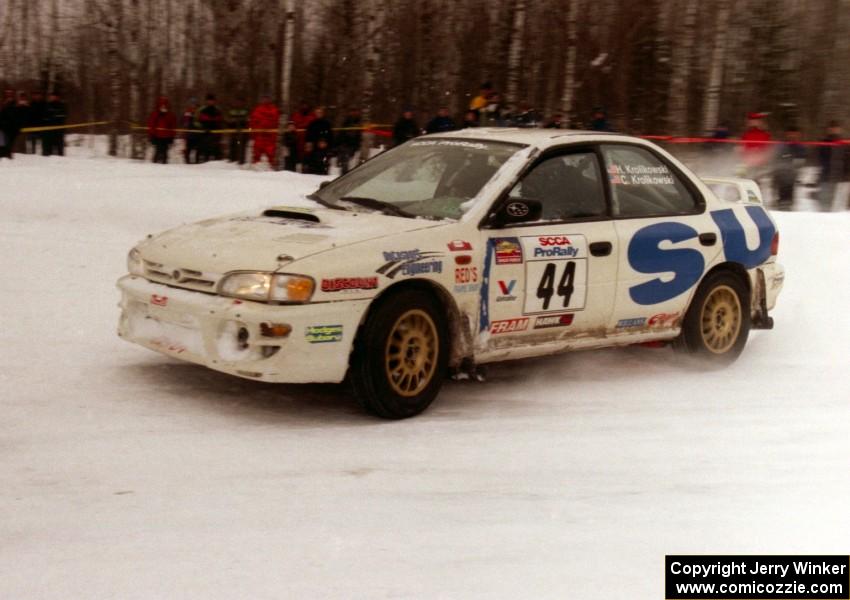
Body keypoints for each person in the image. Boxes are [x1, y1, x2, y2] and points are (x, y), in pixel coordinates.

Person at [817, 121, 850, 212]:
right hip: (826, 177)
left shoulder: (845, 144)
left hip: (842, 179)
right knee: (824, 204)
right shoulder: (823, 143)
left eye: (836, 128)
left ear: (840, 129)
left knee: (839, 206)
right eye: (832, 128)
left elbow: (847, 161)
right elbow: (818, 160)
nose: (834, 130)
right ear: (828, 130)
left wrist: (847, 175)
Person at [772, 127, 806, 211]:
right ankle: (781, 204)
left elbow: (801, 159)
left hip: (792, 174)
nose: (792, 135)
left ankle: (788, 205)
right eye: (790, 133)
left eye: (795, 133)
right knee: (781, 190)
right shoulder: (782, 145)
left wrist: (796, 166)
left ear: (798, 135)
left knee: (789, 190)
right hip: (781, 173)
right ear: (787, 134)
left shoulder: (800, 146)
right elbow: (776, 157)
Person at [741, 112, 772, 180]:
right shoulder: (746, 134)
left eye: (755, 120)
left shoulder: (765, 134)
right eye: (751, 120)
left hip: (759, 164)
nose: (753, 122)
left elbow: (767, 149)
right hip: (747, 163)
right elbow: (742, 147)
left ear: (760, 122)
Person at [146, 96, 177, 164]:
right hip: (157, 136)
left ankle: (164, 165)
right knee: (157, 151)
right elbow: (151, 125)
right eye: (162, 106)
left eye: (164, 106)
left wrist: (172, 137)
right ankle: (155, 164)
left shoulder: (170, 115)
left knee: (165, 152)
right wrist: (152, 136)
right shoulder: (155, 114)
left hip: (166, 137)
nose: (163, 108)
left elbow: (173, 126)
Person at [196, 93, 223, 162]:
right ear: (206, 101)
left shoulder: (218, 110)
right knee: (205, 149)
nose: (210, 102)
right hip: (205, 133)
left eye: (212, 100)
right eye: (209, 100)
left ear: (214, 101)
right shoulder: (201, 110)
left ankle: (216, 163)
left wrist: (218, 130)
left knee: (215, 149)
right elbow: (196, 121)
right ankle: (204, 162)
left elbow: (221, 121)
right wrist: (202, 128)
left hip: (215, 133)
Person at [335, 107, 362, 174]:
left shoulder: (358, 121)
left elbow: (358, 135)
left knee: (351, 162)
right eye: (352, 111)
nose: (354, 113)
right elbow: (341, 133)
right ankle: (344, 174)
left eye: (355, 112)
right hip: (345, 144)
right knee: (345, 162)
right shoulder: (346, 121)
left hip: (352, 145)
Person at [42, 92, 67, 156]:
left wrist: (55, 116)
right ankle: (49, 156)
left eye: (55, 96)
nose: (53, 98)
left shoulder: (62, 105)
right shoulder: (47, 105)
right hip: (49, 129)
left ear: (58, 97)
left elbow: (64, 115)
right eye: (52, 96)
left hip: (59, 129)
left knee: (59, 146)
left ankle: (61, 156)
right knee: (49, 145)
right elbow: (45, 116)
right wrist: (50, 117)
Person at [290, 101, 315, 166]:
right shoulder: (296, 115)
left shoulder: (312, 116)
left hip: (308, 140)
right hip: (297, 140)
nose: (304, 107)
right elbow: (291, 125)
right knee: (297, 156)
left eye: (306, 106)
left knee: (307, 156)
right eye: (303, 105)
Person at [226, 97, 250, 164]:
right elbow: (228, 120)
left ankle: (241, 162)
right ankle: (231, 160)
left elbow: (248, 121)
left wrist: (242, 123)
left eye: (240, 102)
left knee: (241, 147)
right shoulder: (231, 110)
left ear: (243, 102)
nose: (238, 103)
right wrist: (232, 122)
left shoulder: (246, 110)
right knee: (232, 146)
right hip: (233, 132)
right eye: (237, 101)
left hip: (242, 133)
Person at [0, 89, 21, 159]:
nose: (8, 94)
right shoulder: (2, 103)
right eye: (7, 93)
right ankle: (4, 156)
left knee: (10, 143)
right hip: (3, 127)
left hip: (12, 128)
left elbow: (16, 115)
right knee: (3, 143)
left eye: (10, 93)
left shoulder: (15, 104)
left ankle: (8, 156)